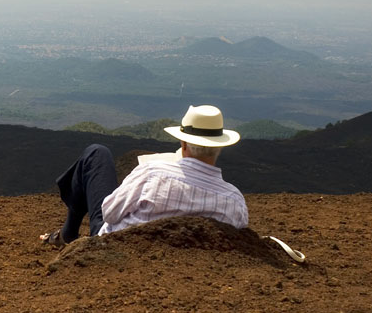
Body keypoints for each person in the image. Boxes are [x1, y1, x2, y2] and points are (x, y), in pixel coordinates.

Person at [41, 104, 247, 246]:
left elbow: (109, 213)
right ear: (219, 148)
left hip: (115, 245)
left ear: (183, 144)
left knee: (96, 154)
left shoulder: (153, 173)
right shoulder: (235, 202)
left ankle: (68, 234)